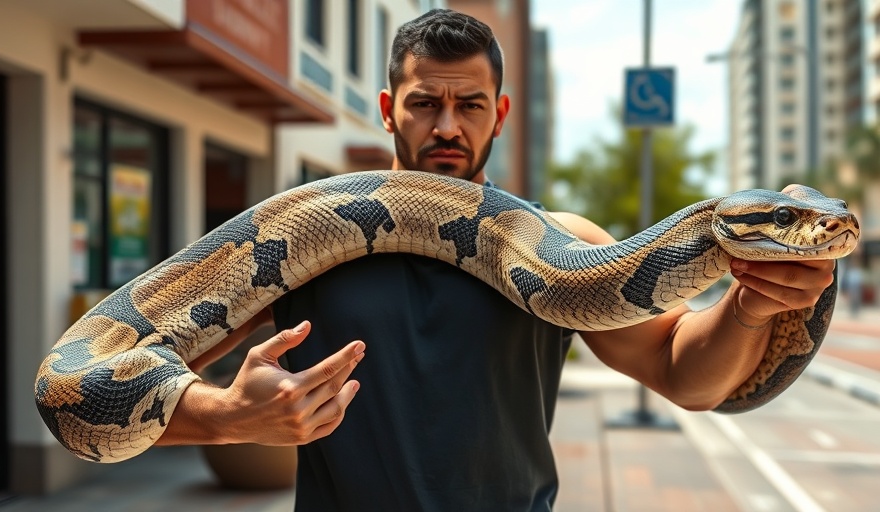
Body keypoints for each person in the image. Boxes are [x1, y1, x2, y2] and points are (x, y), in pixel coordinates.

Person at [157, 9, 836, 511]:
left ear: (500, 113)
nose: (447, 125)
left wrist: (752, 305)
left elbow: (684, 375)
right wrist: (223, 415)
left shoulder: (565, 242)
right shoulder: (302, 238)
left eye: (469, 105)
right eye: (425, 104)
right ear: (391, 110)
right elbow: (101, 387)